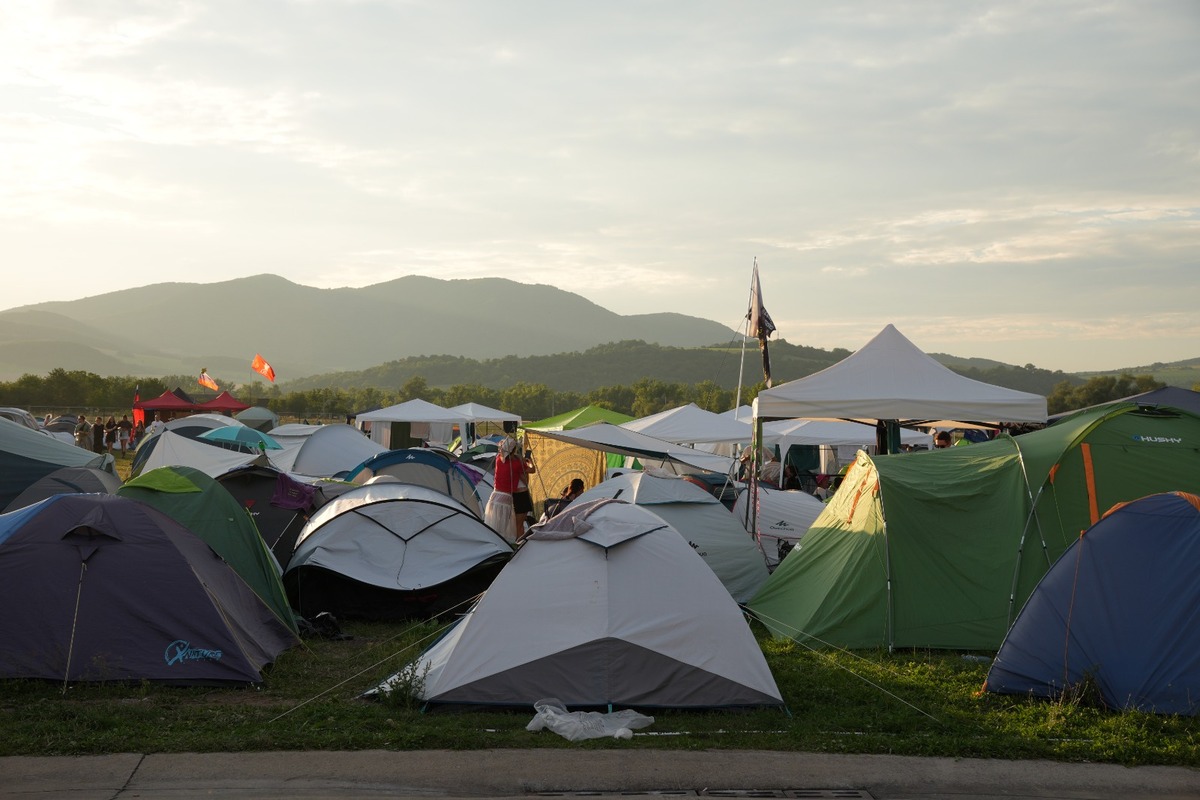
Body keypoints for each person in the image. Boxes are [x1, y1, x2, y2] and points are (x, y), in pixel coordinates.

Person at [484, 435, 536, 543]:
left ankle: (496, 542)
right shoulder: (517, 463)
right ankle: (517, 544)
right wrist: (528, 460)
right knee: (512, 526)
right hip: (511, 497)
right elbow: (531, 471)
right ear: (513, 451)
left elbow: (507, 455)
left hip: (495, 495)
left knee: (497, 524)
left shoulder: (498, 459)